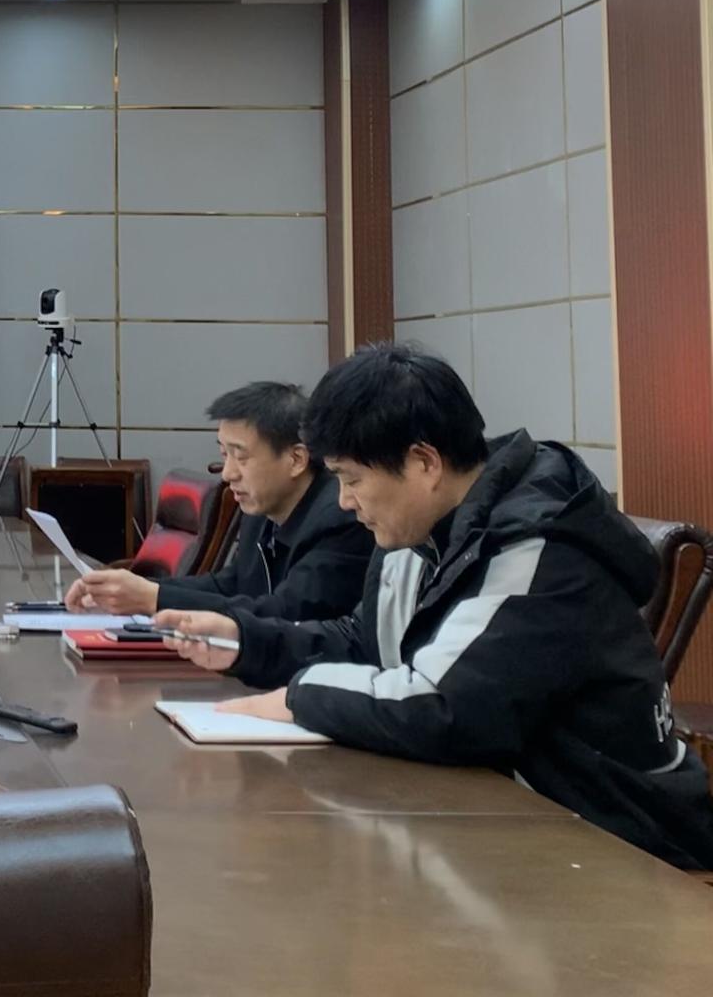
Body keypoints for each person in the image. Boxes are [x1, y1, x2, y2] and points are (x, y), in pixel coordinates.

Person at [157, 343, 713, 872]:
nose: (344, 501)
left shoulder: (542, 550)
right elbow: (364, 642)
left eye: (352, 479)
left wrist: (297, 697)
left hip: (617, 839)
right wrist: (247, 642)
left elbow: (445, 708)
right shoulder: (422, 530)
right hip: (499, 819)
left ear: (423, 462)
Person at [66, 381, 371, 620]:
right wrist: (137, 590)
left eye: (241, 456)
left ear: (296, 459)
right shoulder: (260, 509)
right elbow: (232, 584)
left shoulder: (341, 517)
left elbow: (288, 612)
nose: (227, 473)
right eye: (224, 455)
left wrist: (154, 599)